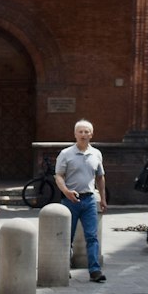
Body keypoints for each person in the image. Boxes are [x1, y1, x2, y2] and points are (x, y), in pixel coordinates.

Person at [54, 119, 108, 282]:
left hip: (89, 199)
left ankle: (94, 270)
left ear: (91, 134)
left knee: (92, 236)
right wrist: (66, 191)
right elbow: (59, 176)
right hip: (71, 200)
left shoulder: (96, 154)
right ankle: (64, 267)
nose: (83, 135)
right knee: (66, 237)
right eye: (80, 131)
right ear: (75, 134)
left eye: (87, 132)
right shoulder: (66, 154)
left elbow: (100, 177)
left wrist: (103, 199)